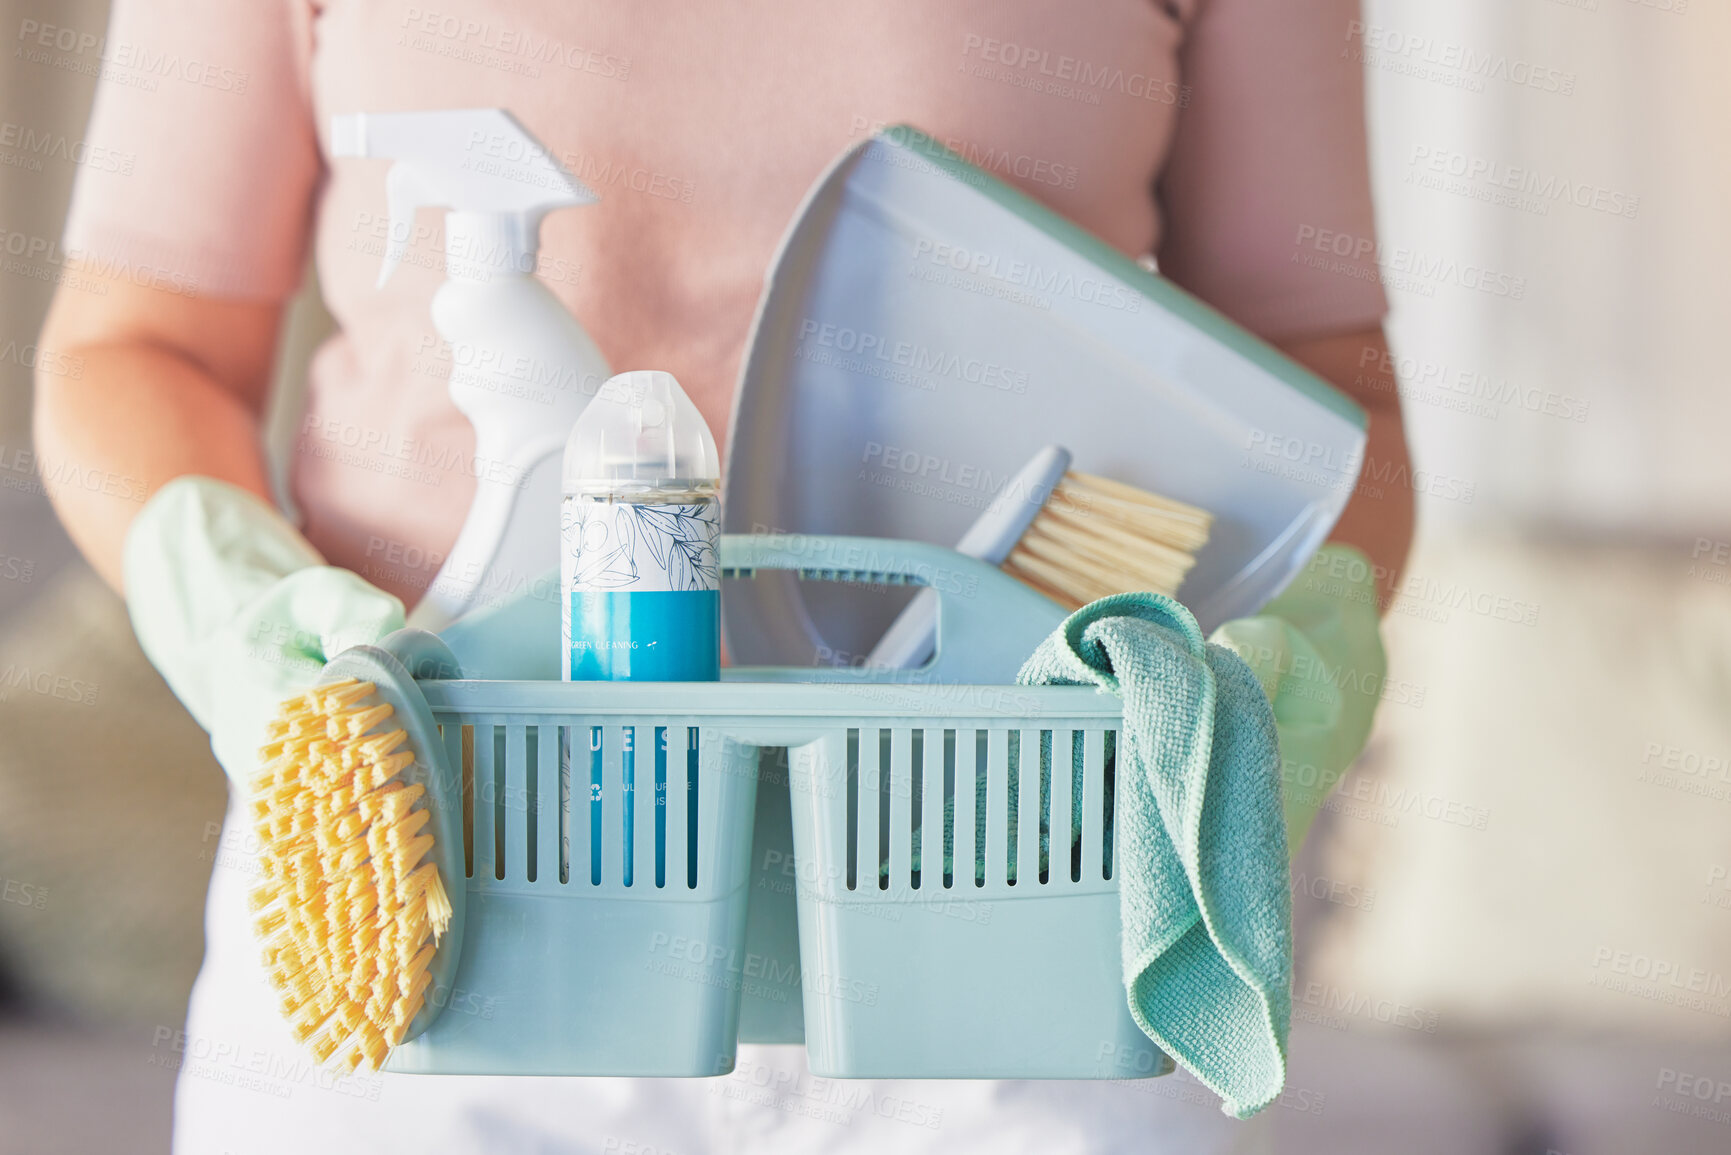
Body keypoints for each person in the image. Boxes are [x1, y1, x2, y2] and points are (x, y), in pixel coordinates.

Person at [33, 1, 1410, 1151]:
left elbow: (1327, 386)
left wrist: (1276, 688)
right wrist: (251, 633)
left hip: (1015, 905)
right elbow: (135, 346)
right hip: (443, 895)